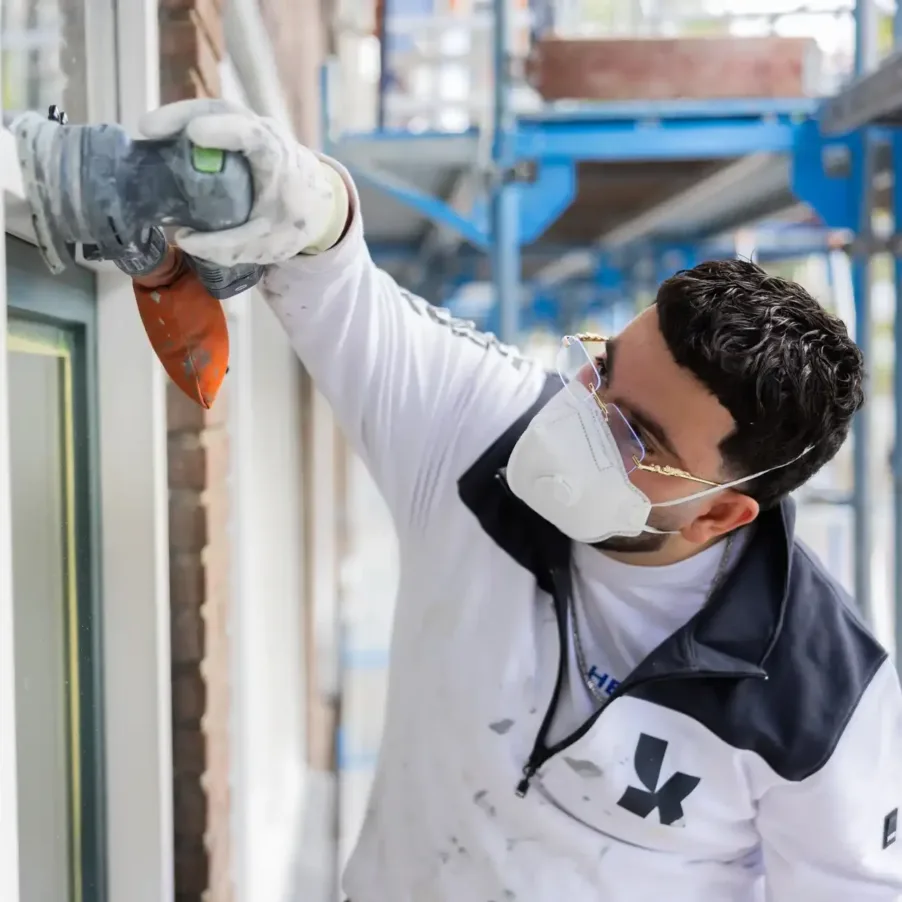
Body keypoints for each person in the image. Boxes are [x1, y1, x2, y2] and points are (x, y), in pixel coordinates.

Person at [139, 99, 902, 902]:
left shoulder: (820, 696)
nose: (582, 419)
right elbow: (335, 282)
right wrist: (306, 197)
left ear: (718, 512)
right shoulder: (483, 442)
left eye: (637, 437)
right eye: (600, 371)